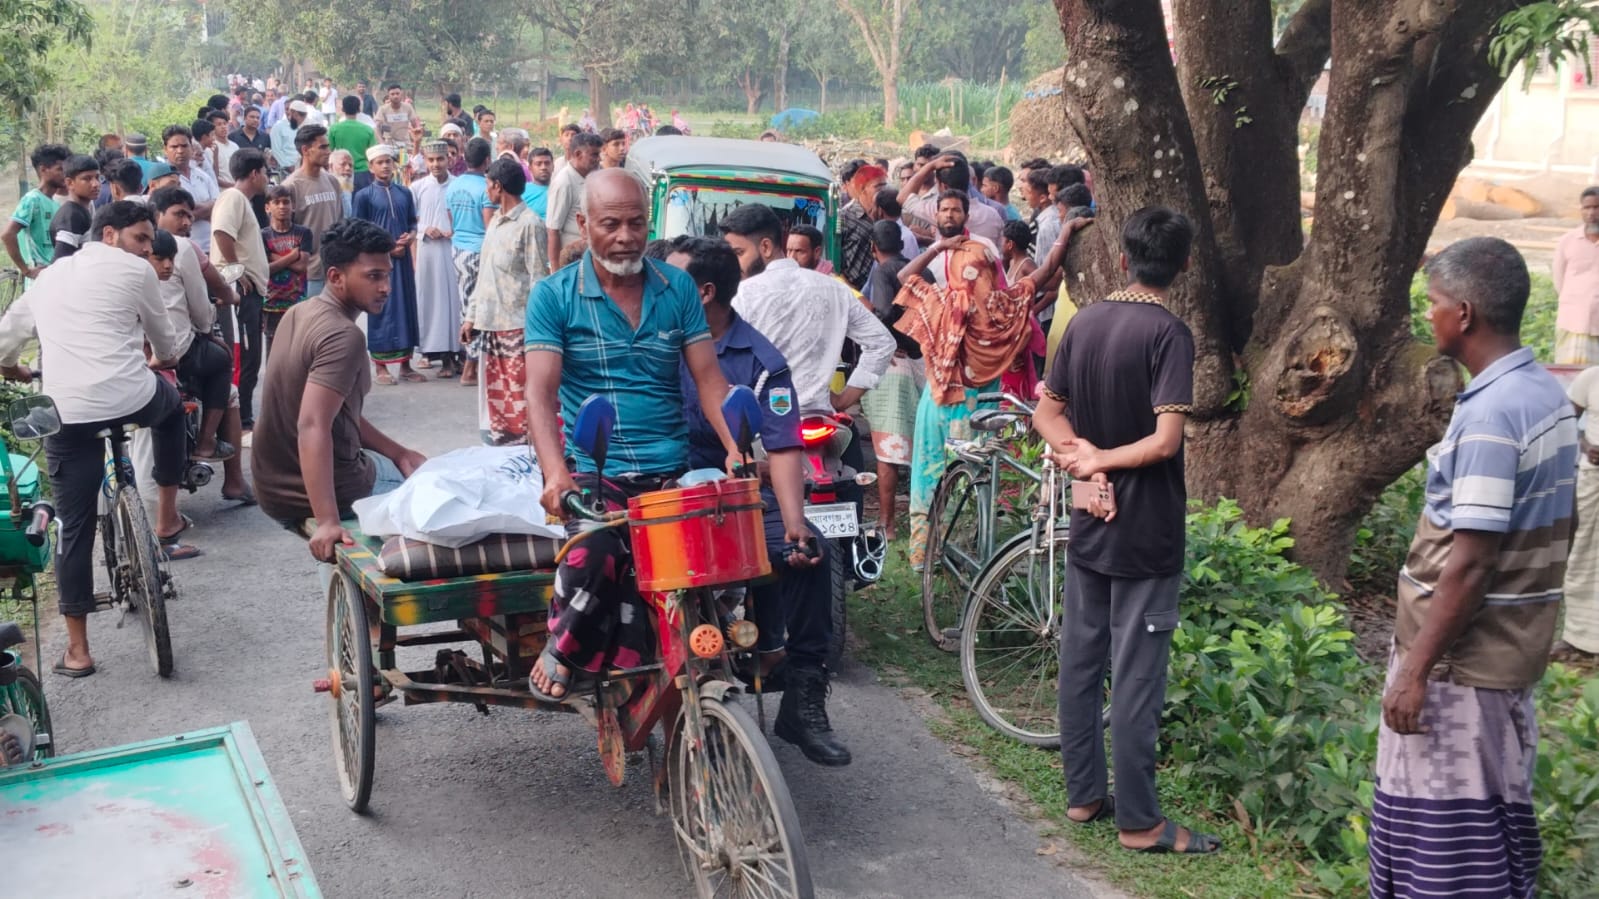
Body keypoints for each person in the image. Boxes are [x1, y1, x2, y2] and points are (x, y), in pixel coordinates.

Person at [1369, 237, 1578, 895]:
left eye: (1430, 305)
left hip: (1464, 665)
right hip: (1502, 655)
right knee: (1488, 826)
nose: (1426, 316)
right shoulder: (1538, 392)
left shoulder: (1490, 414)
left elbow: (1470, 562)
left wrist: (1415, 670)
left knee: (1448, 848)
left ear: (1461, 313)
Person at [1029, 205, 1217, 856]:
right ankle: (1138, 821)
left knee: (1080, 663)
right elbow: (1165, 441)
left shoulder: (1084, 323)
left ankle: (1083, 794)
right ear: (1184, 264)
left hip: (1089, 511)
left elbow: (1045, 413)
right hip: (1144, 527)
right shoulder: (1168, 334)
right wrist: (1101, 458)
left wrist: (1081, 455)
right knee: (1136, 676)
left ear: (1119, 258)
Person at [523, 169, 742, 703]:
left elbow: (710, 379)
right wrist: (556, 472)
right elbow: (539, 395)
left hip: (671, 468)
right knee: (596, 552)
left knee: (727, 562)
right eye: (610, 223)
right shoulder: (554, 297)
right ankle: (563, 647)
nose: (625, 236)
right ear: (582, 224)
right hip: (598, 471)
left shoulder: (678, 288)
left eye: (636, 223)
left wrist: (738, 447)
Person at [656, 235, 849, 765]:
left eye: (671, 282)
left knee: (812, 553)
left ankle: (805, 698)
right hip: (652, 493)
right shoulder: (651, 342)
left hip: (729, 497)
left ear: (704, 293)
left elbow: (785, 443)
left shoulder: (761, 360)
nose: (657, 289)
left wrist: (794, 524)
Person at [0, 202, 193, 676]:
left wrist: (18, 369)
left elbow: (3, 345)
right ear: (109, 234)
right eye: (143, 239)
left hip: (67, 412)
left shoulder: (46, 279)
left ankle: (79, 651)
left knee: (75, 524)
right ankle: (165, 519)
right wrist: (154, 361)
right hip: (132, 396)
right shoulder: (138, 271)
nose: (150, 249)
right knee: (171, 411)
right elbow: (167, 346)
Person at [897, 190, 1086, 569]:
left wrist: (1065, 233)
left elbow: (906, 277)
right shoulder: (999, 306)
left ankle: (928, 555)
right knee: (971, 480)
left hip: (942, 406)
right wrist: (1065, 233)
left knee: (937, 477)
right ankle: (963, 556)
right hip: (971, 410)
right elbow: (1044, 274)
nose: (976, 280)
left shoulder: (946, 305)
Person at [252, 219, 427, 561]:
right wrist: (328, 521)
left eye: (387, 274)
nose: (386, 287)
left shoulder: (299, 311)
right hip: (320, 491)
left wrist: (399, 452)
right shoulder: (344, 336)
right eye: (373, 276)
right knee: (438, 492)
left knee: (408, 464)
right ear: (335, 277)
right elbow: (313, 424)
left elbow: (338, 414)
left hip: (271, 486)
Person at [719, 203, 895, 419]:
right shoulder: (834, 288)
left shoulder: (742, 295)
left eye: (738, 253)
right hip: (819, 415)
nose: (733, 263)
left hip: (763, 420)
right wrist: (844, 399)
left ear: (765, 247)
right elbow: (882, 343)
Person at [149, 186, 249, 500]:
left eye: (190, 216)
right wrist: (208, 329)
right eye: (179, 214)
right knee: (223, 368)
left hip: (136, 356)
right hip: (174, 355)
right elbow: (200, 306)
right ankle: (219, 459)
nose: (186, 222)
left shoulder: (126, 252)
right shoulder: (182, 248)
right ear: (157, 214)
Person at [462, 157, 547, 445]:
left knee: (519, 394)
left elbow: (538, 279)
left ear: (498, 186)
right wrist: (471, 316)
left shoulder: (530, 224)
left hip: (517, 325)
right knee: (496, 396)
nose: (486, 190)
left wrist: (537, 328)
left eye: (488, 184)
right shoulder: (496, 220)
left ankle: (525, 451)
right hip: (490, 323)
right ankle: (502, 449)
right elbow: (485, 272)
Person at [860, 220, 921, 541]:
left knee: (889, 450)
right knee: (921, 447)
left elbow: (884, 313)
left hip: (895, 364)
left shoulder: (881, 272)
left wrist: (888, 339)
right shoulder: (921, 270)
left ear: (873, 247)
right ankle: (923, 518)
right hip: (924, 362)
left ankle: (887, 524)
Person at [212, 149, 273, 430]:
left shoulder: (242, 201)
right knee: (243, 357)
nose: (267, 179)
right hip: (238, 289)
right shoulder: (233, 197)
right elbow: (222, 234)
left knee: (251, 358)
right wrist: (237, 271)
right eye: (265, 173)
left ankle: (244, 418)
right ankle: (240, 423)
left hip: (251, 290)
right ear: (254, 173)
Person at [352, 145, 422, 385]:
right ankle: (380, 367)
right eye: (379, 162)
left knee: (405, 308)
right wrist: (386, 248)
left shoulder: (405, 193)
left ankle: (405, 365)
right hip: (377, 263)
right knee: (380, 308)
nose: (385, 166)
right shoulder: (364, 196)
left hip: (402, 263)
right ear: (371, 167)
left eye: (388, 162)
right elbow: (359, 230)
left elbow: (413, 222)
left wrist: (411, 236)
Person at [446, 138, 497, 388]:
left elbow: (451, 219)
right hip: (479, 251)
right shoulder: (486, 189)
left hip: (458, 250)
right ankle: (470, 367)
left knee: (466, 306)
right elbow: (489, 226)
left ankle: (472, 363)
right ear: (487, 160)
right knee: (476, 310)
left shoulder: (454, 186)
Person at [411, 141, 463, 377]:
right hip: (428, 252)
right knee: (431, 301)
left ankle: (455, 353)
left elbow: (464, 218)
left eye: (440, 159)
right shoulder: (417, 187)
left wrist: (453, 231)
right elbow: (411, 222)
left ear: (449, 160)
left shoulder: (457, 186)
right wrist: (425, 230)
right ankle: (435, 353)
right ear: (425, 160)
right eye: (431, 160)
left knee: (454, 301)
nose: (435, 164)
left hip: (452, 250)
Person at [1559, 364, 1599, 660]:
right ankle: (1579, 638)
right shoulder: (1591, 378)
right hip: (1593, 479)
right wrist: (1586, 445)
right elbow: (1565, 420)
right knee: (1583, 553)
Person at [282, 123, 345, 298]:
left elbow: (340, 223)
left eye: (328, 146)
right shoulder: (291, 186)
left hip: (334, 269)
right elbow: (283, 235)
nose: (328, 151)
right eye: (322, 147)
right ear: (305, 150)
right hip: (308, 275)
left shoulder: (332, 181)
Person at [262, 185, 314, 357]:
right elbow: (264, 270)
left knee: (296, 348)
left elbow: (301, 267)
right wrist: (292, 256)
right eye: (277, 202)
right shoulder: (262, 236)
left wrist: (274, 257)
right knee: (273, 347)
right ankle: (273, 383)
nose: (282, 206)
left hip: (297, 301)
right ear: (268, 207)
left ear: (293, 206)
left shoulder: (303, 233)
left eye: (286, 202)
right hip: (271, 302)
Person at [3, 144, 68, 280]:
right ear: (43, 170)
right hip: (38, 279)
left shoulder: (55, 203)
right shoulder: (32, 199)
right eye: (60, 169)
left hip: (54, 275)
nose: (65, 174)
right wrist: (26, 271)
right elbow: (7, 234)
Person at [1553, 186, 1599, 364]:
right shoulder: (1568, 241)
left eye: (1596, 207)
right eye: (1587, 208)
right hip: (1572, 322)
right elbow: (1559, 279)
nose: (1591, 213)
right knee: (1569, 376)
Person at [547, 131, 602, 268]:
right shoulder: (564, 182)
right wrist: (555, 271)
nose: (598, 159)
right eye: (594, 155)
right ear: (577, 154)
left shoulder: (595, 175)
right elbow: (553, 229)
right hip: (573, 259)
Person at [164, 125, 219, 252]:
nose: (180, 151)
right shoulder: (165, 180)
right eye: (174, 147)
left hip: (212, 246)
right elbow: (173, 218)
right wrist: (207, 208)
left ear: (191, 147)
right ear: (165, 150)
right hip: (183, 249)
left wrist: (191, 211)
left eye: (184, 146)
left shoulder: (201, 175)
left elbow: (219, 204)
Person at [47, 155, 100, 260]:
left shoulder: (83, 210)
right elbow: (60, 262)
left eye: (97, 177)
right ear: (70, 183)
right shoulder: (72, 216)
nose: (95, 184)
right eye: (87, 179)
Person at [329, 95, 379, 192]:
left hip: (342, 172)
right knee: (363, 204)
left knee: (345, 203)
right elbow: (373, 154)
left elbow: (329, 151)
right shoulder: (367, 130)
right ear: (359, 109)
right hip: (363, 173)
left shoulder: (334, 129)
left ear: (343, 109)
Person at [270, 101, 309, 172]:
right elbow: (276, 150)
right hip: (286, 169)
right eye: (286, 109)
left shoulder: (304, 126)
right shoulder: (278, 127)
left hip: (304, 167)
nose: (288, 112)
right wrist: (288, 166)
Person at [522, 147, 554, 219]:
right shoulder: (521, 191)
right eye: (538, 164)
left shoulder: (561, 188)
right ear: (530, 168)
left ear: (553, 166)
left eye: (547, 163)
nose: (543, 167)